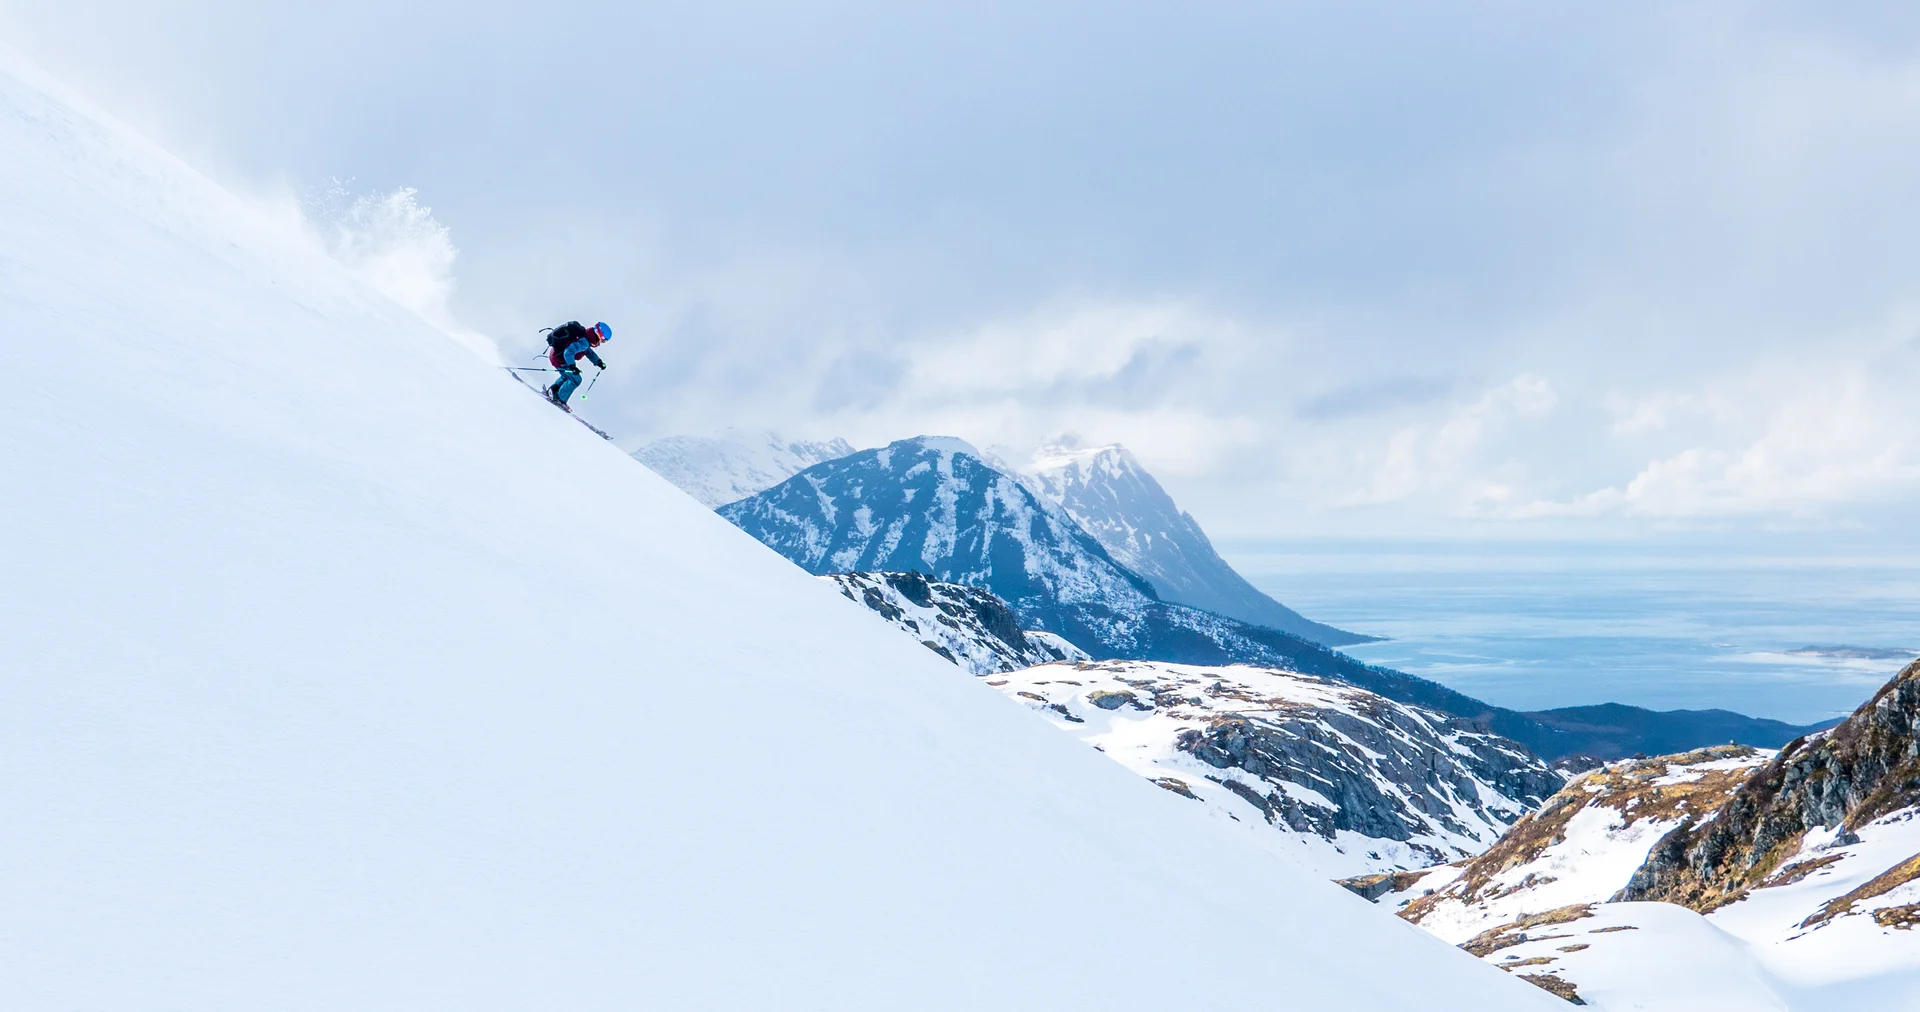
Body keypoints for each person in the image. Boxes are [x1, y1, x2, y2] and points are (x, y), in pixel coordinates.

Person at [544, 320, 611, 411]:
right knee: (576, 379)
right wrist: (572, 366)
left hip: (556, 356)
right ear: (599, 335)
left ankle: (553, 391)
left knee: (567, 376)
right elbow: (569, 352)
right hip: (560, 360)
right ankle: (560, 399)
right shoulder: (585, 342)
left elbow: (589, 352)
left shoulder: (586, 337)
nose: (601, 343)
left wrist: (598, 362)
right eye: (603, 340)